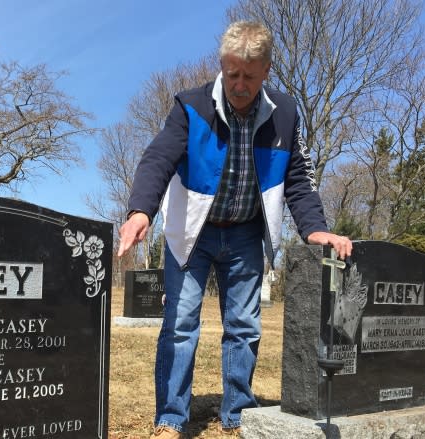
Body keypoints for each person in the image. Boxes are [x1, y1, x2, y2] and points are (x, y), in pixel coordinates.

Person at [117, 21, 353, 439]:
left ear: (266, 71)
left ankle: (238, 413)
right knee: (181, 323)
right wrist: (140, 212)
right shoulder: (189, 106)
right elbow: (158, 159)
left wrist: (314, 229)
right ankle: (171, 418)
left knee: (244, 325)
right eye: (231, 73)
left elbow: (298, 177)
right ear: (221, 66)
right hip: (192, 232)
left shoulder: (285, 114)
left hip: (246, 233)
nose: (238, 85)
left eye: (248, 75)